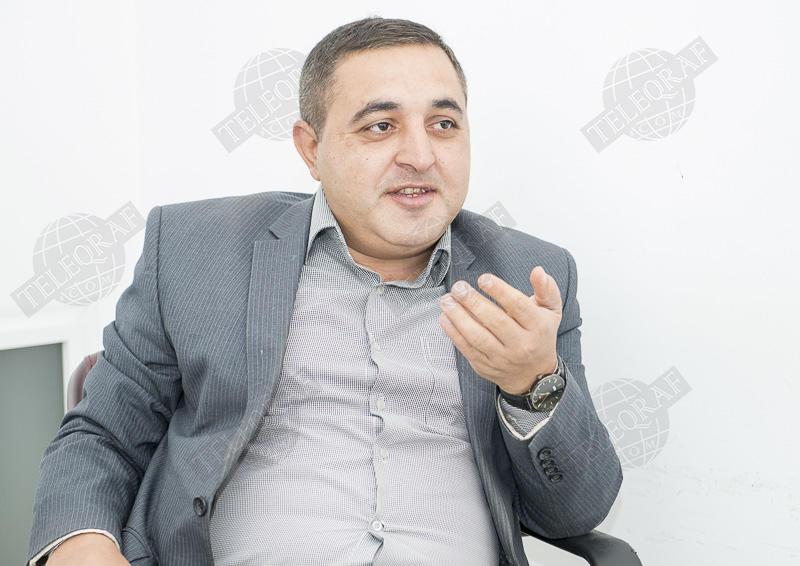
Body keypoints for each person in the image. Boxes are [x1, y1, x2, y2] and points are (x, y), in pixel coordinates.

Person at [28, 16, 623, 566]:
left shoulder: (527, 279)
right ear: (311, 149)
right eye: (381, 126)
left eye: (443, 124)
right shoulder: (195, 252)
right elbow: (104, 435)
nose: (420, 156)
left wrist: (532, 385)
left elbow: (576, 513)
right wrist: (82, 543)